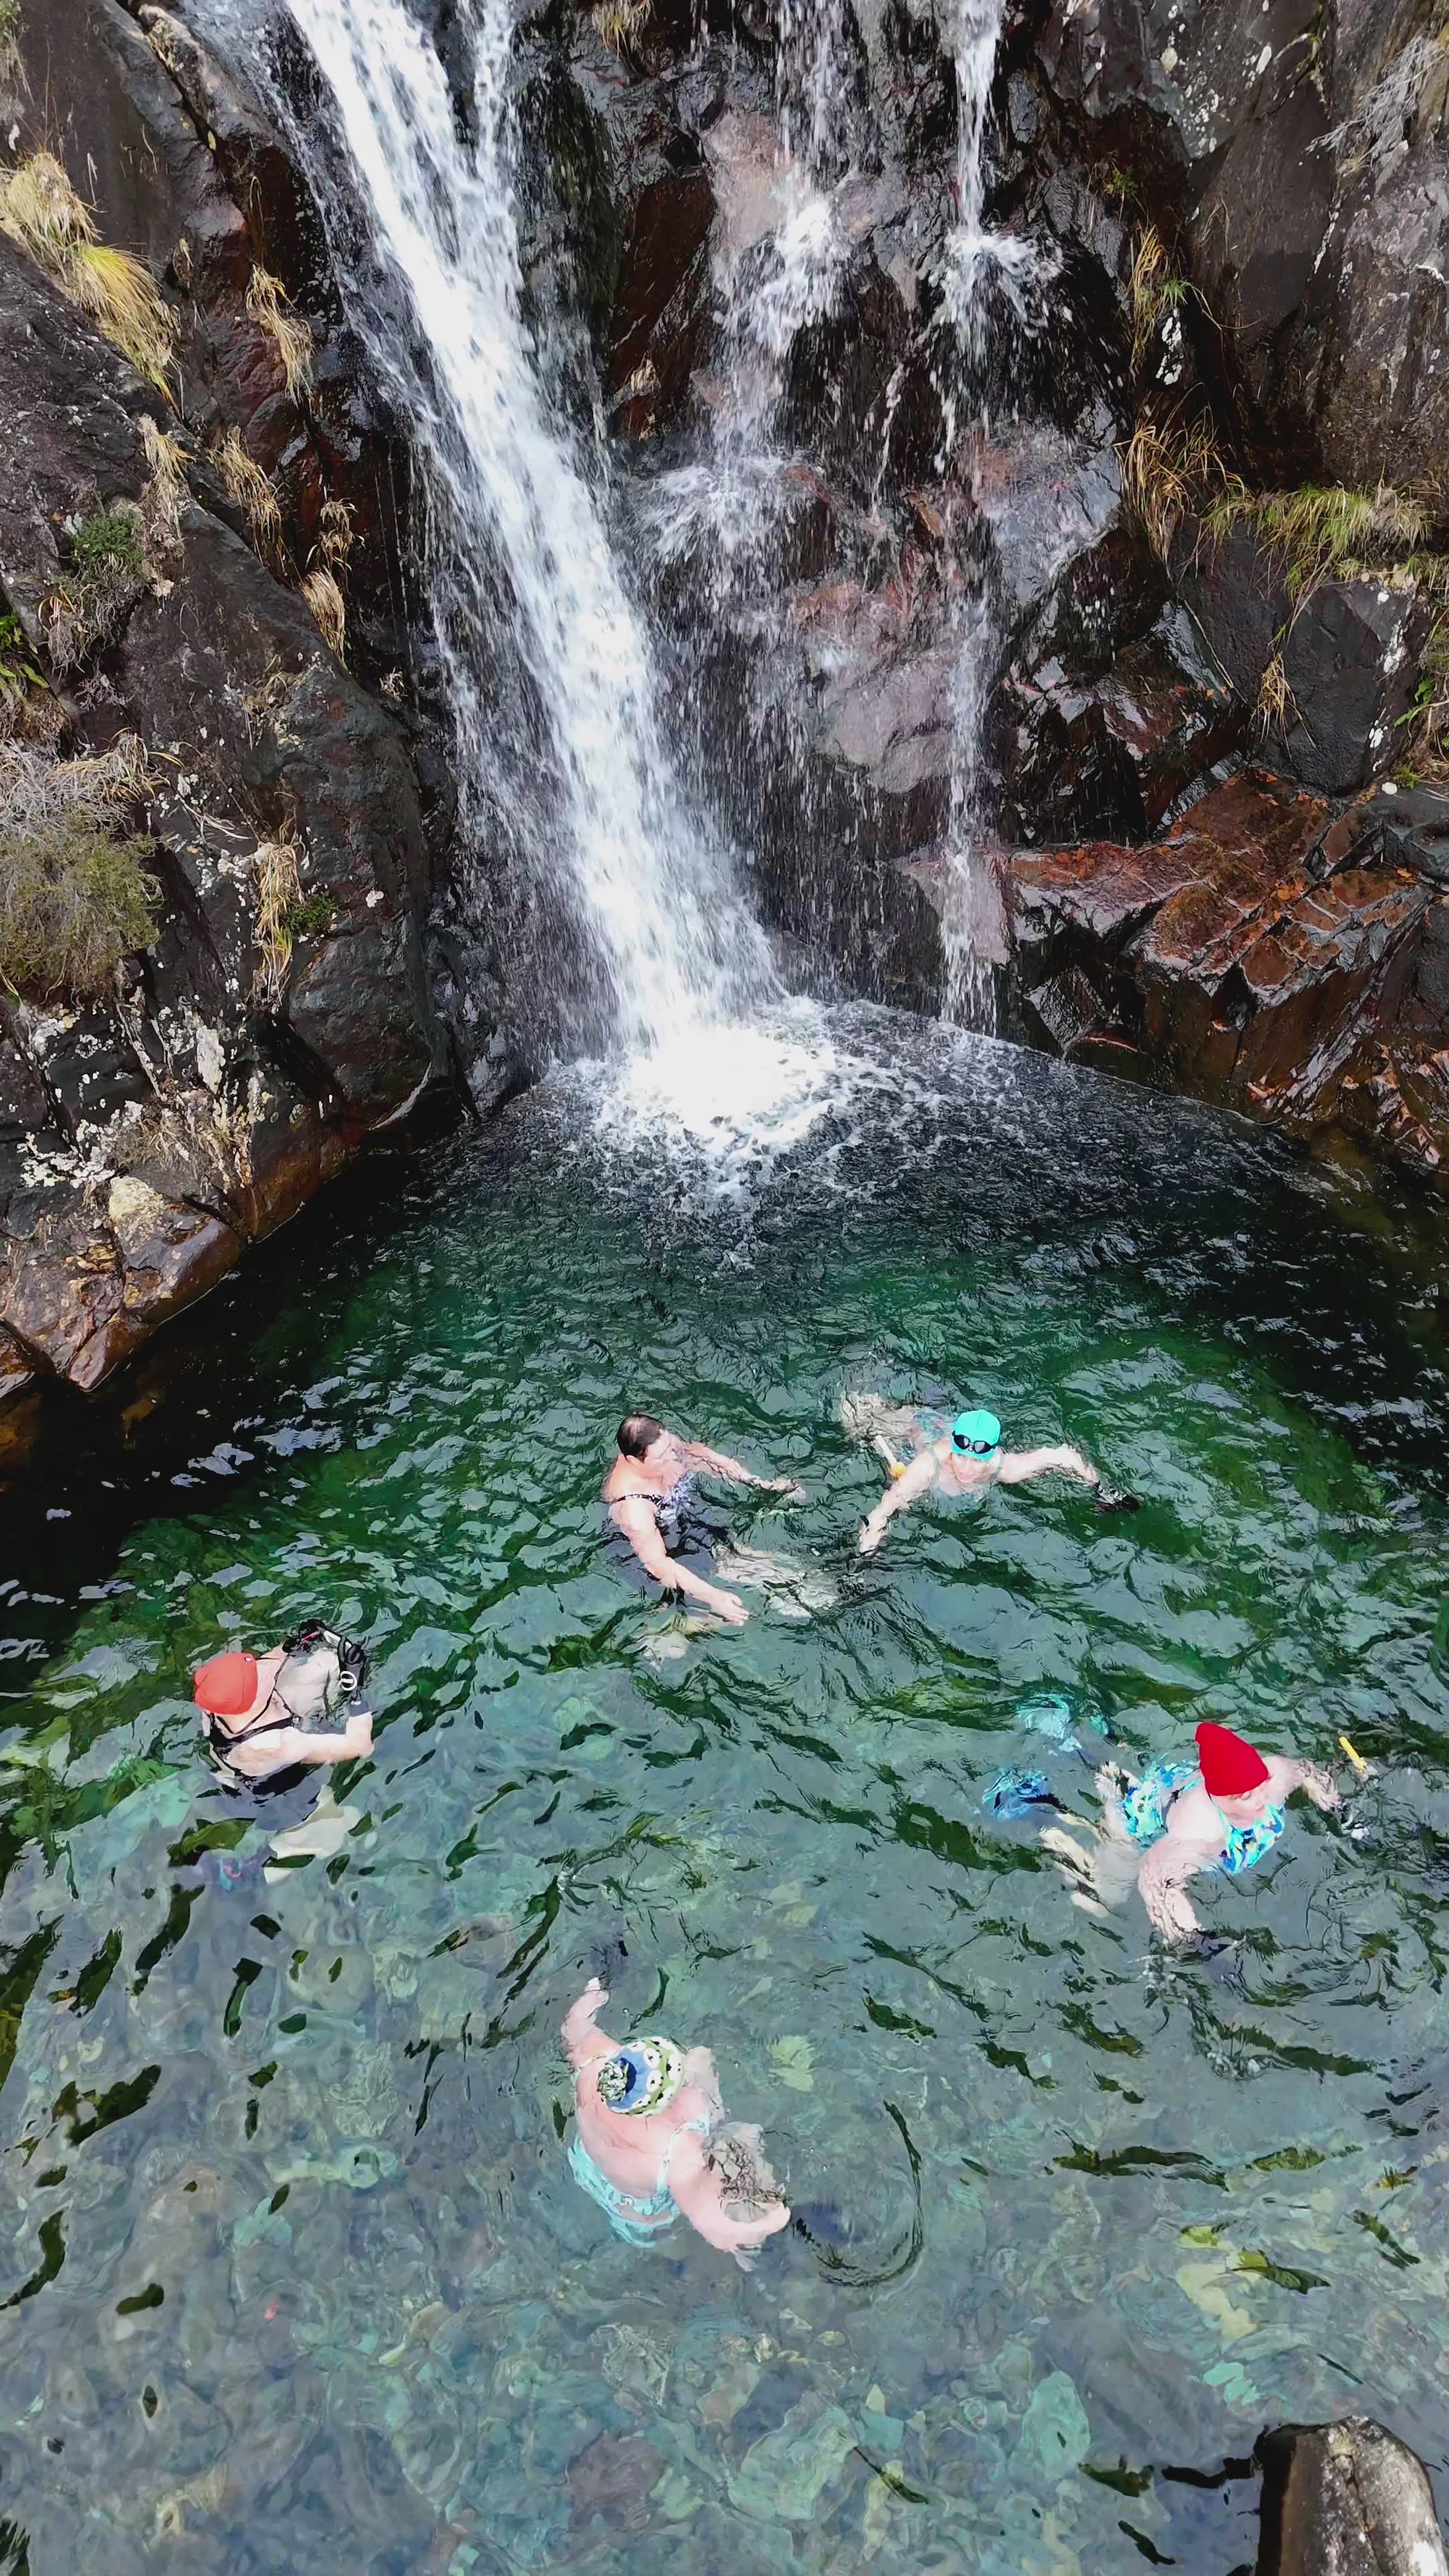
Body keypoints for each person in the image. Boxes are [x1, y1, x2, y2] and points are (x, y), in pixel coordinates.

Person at [562, 1976, 790, 2267]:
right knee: (674, 2250)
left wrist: (593, 1994)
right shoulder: (678, 2145)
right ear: (662, 2104)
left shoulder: (597, 2064)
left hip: (591, 2168)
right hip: (645, 2212)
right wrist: (770, 2223)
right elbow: (709, 2220)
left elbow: (574, 2027)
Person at [1040, 1719, 1341, 1938]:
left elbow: (1306, 1772)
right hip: (1147, 1820)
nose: (1264, 1799)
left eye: (1262, 1785)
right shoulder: (1199, 1829)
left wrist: (1338, 1808)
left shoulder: (1274, 1775)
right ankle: (1044, 1810)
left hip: (1181, 1787)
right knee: (1106, 1899)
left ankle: (1094, 1744)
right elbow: (1155, 1882)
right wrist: (1197, 1940)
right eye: (1249, 1795)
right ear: (1221, 1797)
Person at [856, 1403, 1138, 1555]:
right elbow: (883, 1510)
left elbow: (1061, 1455)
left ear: (988, 1457)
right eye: (961, 1456)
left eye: (976, 1460)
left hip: (950, 1426)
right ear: (953, 1451)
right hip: (918, 1426)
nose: (966, 1468)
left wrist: (1101, 1489)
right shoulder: (927, 1466)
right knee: (859, 1418)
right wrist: (865, 1560)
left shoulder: (1004, 1468)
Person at [603, 1414, 804, 1626]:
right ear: (634, 1461)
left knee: (735, 1554)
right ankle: (666, 1634)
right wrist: (715, 1597)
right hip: (643, 1551)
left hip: (675, 1516)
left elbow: (699, 1456)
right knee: (711, 1609)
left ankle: (776, 1580)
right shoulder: (633, 1507)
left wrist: (761, 1485)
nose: (672, 1457)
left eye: (671, 1446)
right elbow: (659, 1566)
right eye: (662, 1457)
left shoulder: (662, 1445)